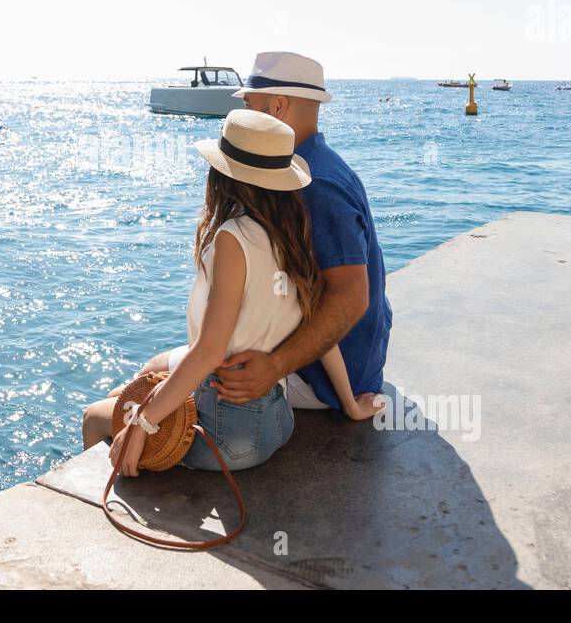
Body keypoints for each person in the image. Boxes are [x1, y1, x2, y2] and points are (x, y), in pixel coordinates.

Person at [81, 109, 372, 477]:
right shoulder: (296, 236)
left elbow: (210, 351)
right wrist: (350, 404)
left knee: (94, 416)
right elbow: (320, 330)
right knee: (125, 396)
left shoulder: (234, 238)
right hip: (278, 424)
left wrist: (143, 424)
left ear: (223, 174)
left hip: (227, 435)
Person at [216, 51, 392, 415]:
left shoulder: (314, 184)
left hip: (320, 382)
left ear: (278, 106)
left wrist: (275, 366)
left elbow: (350, 298)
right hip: (348, 363)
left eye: (250, 106)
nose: (241, 116)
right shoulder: (312, 166)